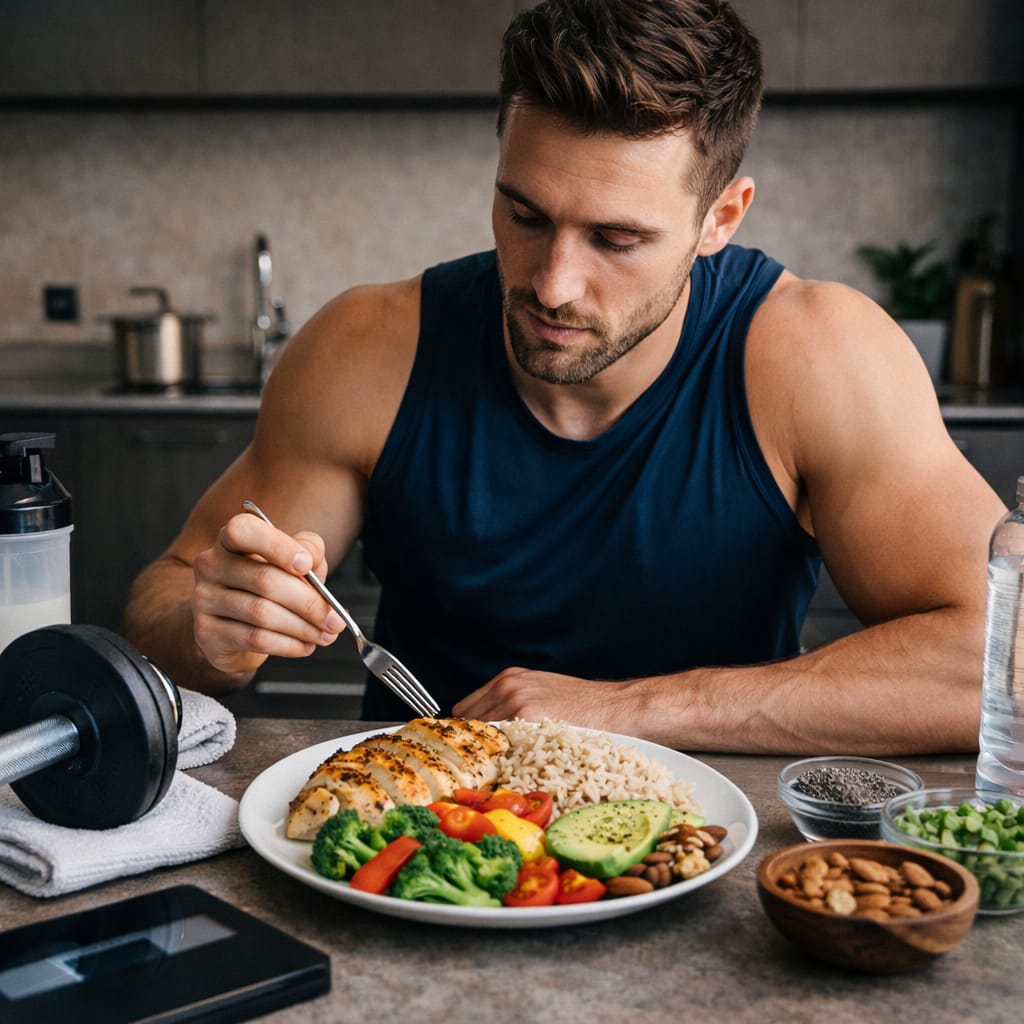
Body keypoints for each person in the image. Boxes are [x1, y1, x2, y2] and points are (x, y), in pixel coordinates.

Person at [123, 0, 1005, 755]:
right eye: (526, 214)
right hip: (417, 844)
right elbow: (162, 602)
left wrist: (627, 710)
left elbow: (1003, 658)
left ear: (719, 219)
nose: (552, 284)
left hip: (711, 859)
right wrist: (212, 629)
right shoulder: (367, 348)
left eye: (616, 240)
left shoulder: (820, 357)